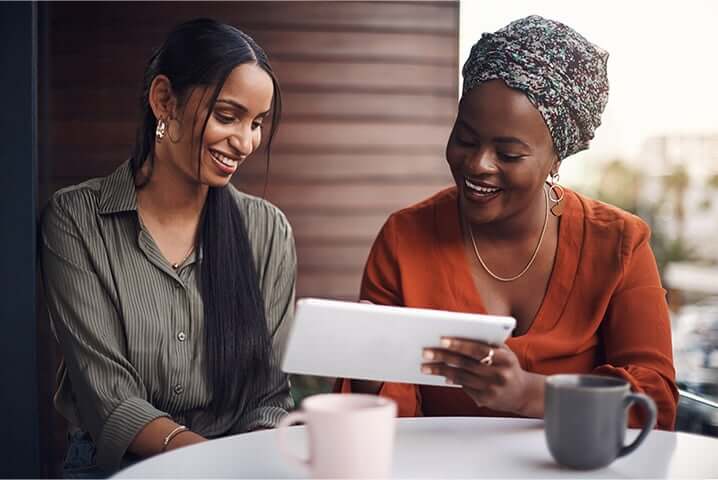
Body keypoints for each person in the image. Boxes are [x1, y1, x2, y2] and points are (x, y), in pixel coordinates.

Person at [339, 15, 677, 429]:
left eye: (509, 154)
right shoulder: (404, 237)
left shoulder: (620, 243)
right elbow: (391, 422)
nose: (478, 164)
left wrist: (530, 393)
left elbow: (655, 404)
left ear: (556, 159)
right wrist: (371, 375)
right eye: (465, 139)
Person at [40, 19, 296, 476]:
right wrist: (214, 464)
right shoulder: (77, 220)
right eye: (227, 116)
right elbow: (111, 398)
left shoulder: (268, 231)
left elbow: (268, 398)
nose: (245, 142)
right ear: (164, 101)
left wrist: (243, 469)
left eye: (257, 124)